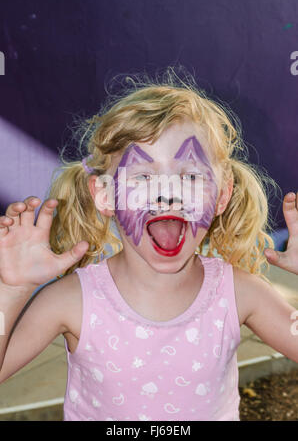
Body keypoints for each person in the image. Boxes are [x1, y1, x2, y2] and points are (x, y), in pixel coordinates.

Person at [0, 69, 297, 421]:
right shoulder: (73, 300)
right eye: (142, 176)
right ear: (105, 195)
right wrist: (11, 290)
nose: (168, 195)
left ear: (222, 195)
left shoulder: (239, 293)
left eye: (190, 176)